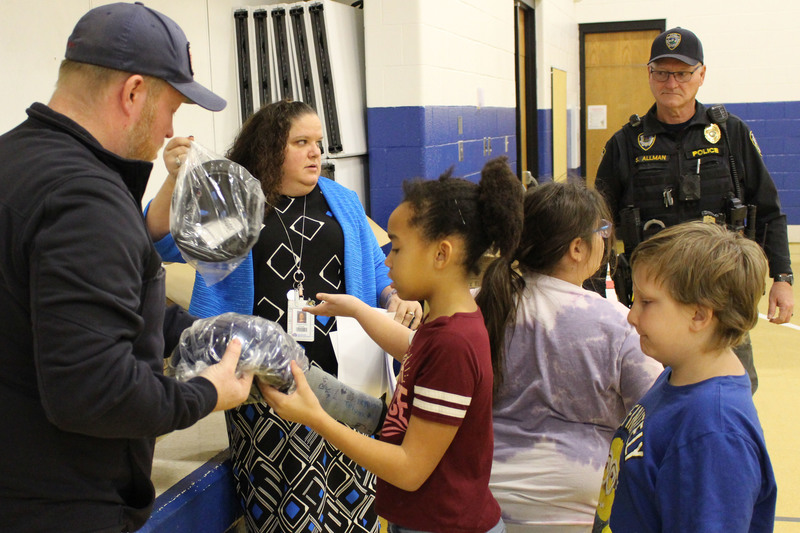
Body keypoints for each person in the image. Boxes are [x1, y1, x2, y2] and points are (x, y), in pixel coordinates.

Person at [0, 3, 254, 532]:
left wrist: (200, 332)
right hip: (61, 503)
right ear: (133, 92)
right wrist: (207, 393)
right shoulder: (86, 198)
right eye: (171, 107)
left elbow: (95, 307)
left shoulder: (16, 160)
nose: (168, 130)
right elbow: (93, 390)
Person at [146, 99, 422, 532]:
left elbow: (374, 274)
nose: (316, 152)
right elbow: (160, 239)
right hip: (266, 387)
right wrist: (174, 180)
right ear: (272, 148)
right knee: (287, 513)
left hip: (343, 382)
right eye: (301, 142)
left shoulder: (342, 201)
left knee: (354, 507)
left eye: (318, 142)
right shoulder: (236, 202)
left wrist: (394, 301)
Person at [261, 157, 524, 533]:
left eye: (397, 249)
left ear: (441, 254)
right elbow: (415, 350)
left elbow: (410, 468)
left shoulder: (453, 343)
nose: (387, 263)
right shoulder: (449, 323)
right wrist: (358, 310)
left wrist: (315, 418)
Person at [593, 27, 794, 393]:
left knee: (731, 392)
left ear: (701, 74)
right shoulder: (625, 145)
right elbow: (598, 227)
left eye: (683, 73)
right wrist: (591, 298)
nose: (672, 82)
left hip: (721, 294)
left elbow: (767, 210)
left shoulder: (730, 135)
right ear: (649, 75)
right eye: (662, 72)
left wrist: (782, 277)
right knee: (648, 394)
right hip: (654, 303)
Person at [478, 182, 662, 532]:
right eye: (602, 231)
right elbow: (653, 420)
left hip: (481, 499)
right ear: (577, 248)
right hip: (577, 510)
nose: (606, 239)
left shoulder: (477, 304)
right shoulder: (619, 324)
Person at [593, 221, 777, 532]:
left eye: (647, 302)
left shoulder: (714, 433)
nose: (632, 315)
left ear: (700, 315)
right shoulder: (677, 375)